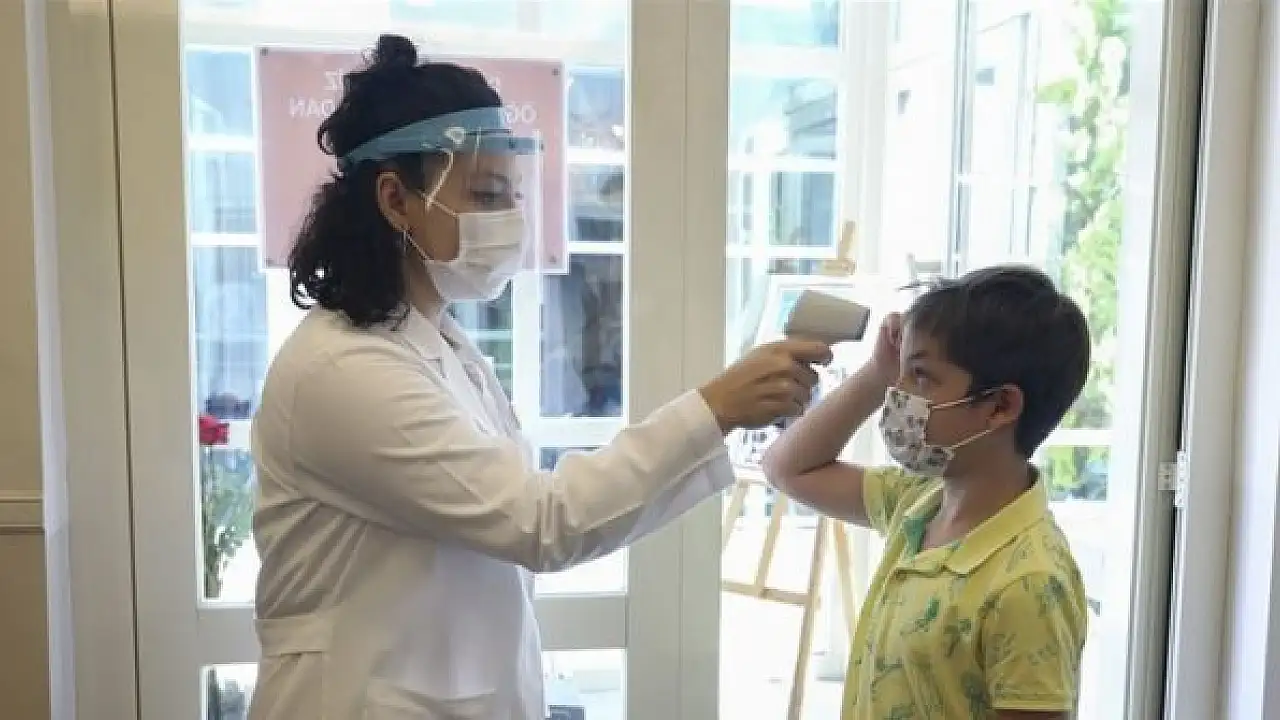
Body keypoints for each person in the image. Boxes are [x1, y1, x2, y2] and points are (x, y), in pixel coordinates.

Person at [247, 34, 831, 720]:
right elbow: (540, 519)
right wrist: (715, 409)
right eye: (485, 193)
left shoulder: (437, 343)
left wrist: (716, 414)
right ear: (396, 199)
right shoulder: (342, 370)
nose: (510, 220)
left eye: (513, 194)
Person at [763, 266, 1091, 719]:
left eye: (920, 376)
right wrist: (876, 374)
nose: (896, 393)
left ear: (1000, 406)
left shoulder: (1029, 582)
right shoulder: (919, 502)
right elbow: (787, 468)